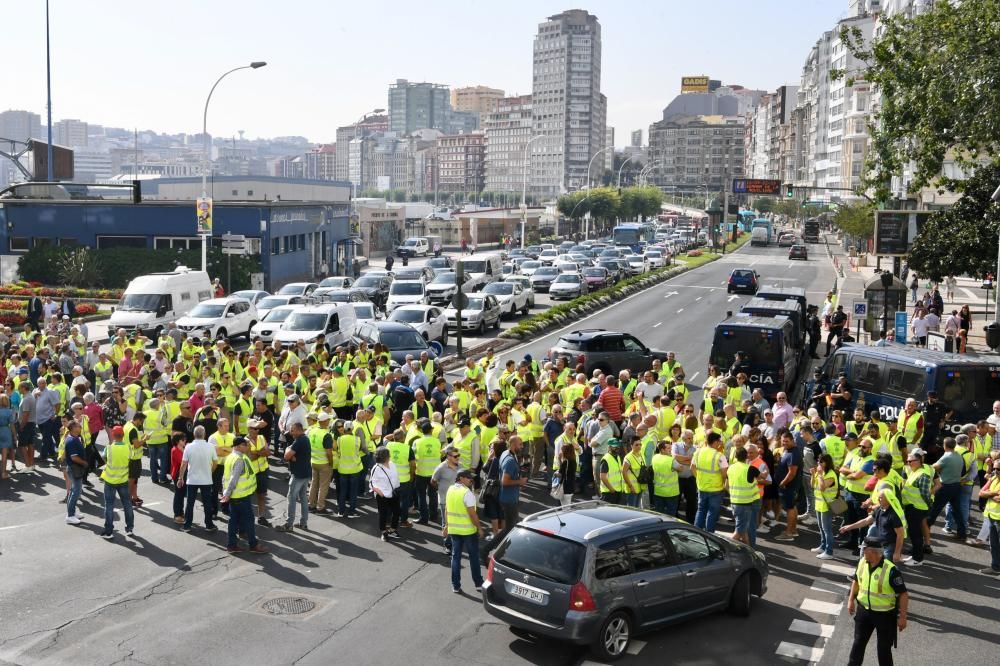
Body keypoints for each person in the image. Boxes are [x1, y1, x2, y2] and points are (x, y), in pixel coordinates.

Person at [847, 537, 908, 666]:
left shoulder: (891, 570)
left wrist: (903, 617)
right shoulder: (862, 562)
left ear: (873, 552)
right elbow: (856, 581)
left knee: (883, 651)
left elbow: (903, 594)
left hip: (884, 616)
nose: (863, 552)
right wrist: (851, 600)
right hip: (864, 612)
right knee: (857, 646)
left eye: (864, 549)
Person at [220, 436, 267, 554]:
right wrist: (228, 493)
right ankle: (253, 545)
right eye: (245, 444)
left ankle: (231, 545)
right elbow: (233, 479)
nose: (248, 446)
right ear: (238, 446)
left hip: (235, 495)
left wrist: (226, 492)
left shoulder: (232, 456)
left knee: (233, 519)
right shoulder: (239, 459)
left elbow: (225, 477)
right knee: (249, 519)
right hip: (240, 496)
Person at [444, 469, 483, 594]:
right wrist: (480, 528)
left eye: (471, 478)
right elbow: (472, 514)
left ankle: (455, 585)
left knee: (455, 557)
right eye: (468, 478)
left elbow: (446, 509)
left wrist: (446, 526)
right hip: (468, 532)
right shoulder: (467, 493)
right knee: (474, 558)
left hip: (454, 530)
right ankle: (478, 584)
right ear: (460, 478)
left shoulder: (450, 490)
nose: (471, 480)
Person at [177, 425, 219, 533]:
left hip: (192, 480)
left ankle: (187, 525)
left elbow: (184, 464)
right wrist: (210, 471)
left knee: (190, 503)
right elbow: (215, 462)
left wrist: (180, 477)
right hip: (206, 479)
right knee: (207, 503)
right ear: (204, 434)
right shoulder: (210, 447)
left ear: (194, 434)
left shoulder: (188, 447)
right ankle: (209, 524)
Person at [100, 426, 135, 539]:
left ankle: (108, 531)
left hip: (110, 481)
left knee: (109, 506)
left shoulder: (109, 448)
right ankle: (129, 528)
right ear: (123, 436)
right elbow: (130, 458)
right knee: (127, 504)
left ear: (113, 435)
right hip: (123, 480)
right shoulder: (128, 448)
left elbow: (104, 458)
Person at [277, 421, 312, 532]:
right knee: (303, 498)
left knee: (291, 497)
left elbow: (287, 456)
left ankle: (289, 524)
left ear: (298, 429)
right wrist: (292, 455)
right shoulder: (304, 439)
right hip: (306, 473)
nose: (291, 433)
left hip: (298, 474)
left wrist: (290, 454)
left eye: (292, 430)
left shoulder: (299, 441)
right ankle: (303, 523)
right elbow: (290, 455)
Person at [728, 446, 762, 548]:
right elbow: (762, 477)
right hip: (745, 504)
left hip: (734, 502)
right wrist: (766, 471)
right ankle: (724, 548)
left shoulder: (731, 468)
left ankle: (749, 550)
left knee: (743, 530)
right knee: (739, 532)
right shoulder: (750, 468)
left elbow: (726, 485)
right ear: (746, 456)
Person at [693, 432, 727, 532]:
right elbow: (724, 474)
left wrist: (699, 478)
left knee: (701, 510)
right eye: (719, 441)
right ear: (715, 442)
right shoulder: (720, 456)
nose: (720, 443)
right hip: (716, 489)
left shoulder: (698, 452)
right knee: (712, 513)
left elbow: (692, 467)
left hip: (702, 487)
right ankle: (709, 536)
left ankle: (696, 533)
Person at [370, 446, 401, 541]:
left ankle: (392, 529)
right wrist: (380, 492)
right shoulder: (376, 468)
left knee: (396, 512)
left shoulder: (392, 464)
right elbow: (371, 483)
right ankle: (383, 532)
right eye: (388, 455)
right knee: (383, 514)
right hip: (382, 496)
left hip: (394, 493)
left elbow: (395, 477)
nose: (389, 457)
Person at [775, 429, 802, 541]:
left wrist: (782, 483)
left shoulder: (793, 453)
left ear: (792, 441)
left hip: (789, 487)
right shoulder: (788, 451)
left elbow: (792, 473)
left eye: (786, 441)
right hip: (791, 487)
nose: (784, 443)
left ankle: (789, 533)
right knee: (793, 507)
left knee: (789, 508)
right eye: (783, 441)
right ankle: (793, 530)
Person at [811, 453, 838, 559]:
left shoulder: (830, 474)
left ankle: (829, 551)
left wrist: (820, 474)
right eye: (818, 461)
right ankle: (823, 546)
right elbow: (813, 485)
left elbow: (822, 488)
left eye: (821, 461)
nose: (819, 463)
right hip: (819, 503)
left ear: (827, 463)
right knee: (821, 527)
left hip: (827, 505)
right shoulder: (820, 472)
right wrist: (814, 475)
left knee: (827, 529)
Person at [63, 420, 88, 524]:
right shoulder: (72, 441)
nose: (80, 427)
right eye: (78, 426)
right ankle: (70, 515)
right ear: (73, 428)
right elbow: (74, 457)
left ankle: (72, 512)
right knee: (75, 492)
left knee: (75, 490)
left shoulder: (74, 438)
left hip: (75, 468)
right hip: (74, 468)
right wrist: (84, 463)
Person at [980, 456, 1000, 576]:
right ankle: (996, 567)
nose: (995, 472)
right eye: (994, 469)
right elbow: (981, 492)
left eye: (998, 470)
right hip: (992, 517)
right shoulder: (993, 479)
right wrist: (993, 494)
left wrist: (988, 495)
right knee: (993, 544)